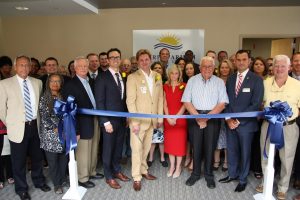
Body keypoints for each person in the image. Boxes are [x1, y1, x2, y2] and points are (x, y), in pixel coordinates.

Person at [0, 55, 51, 200]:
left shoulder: (37, 83)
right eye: (21, 65)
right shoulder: (4, 84)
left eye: (27, 65)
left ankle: (39, 181)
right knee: (19, 161)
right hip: (17, 128)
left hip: (35, 125)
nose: (24, 68)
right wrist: (12, 123)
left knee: (37, 157)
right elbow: (1, 110)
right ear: (16, 67)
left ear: (30, 67)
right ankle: (21, 188)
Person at [255, 55, 300, 200]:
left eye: (282, 66)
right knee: (266, 156)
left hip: (289, 127)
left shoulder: (297, 85)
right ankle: (265, 182)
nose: (279, 69)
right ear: (272, 68)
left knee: (287, 159)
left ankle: (282, 187)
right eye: (276, 66)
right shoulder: (265, 83)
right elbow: (260, 104)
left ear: (289, 68)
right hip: (268, 126)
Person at [219, 50, 264, 193]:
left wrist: (237, 120)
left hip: (246, 124)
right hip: (230, 123)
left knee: (245, 152)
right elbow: (226, 101)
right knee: (232, 150)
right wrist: (228, 119)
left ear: (249, 61)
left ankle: (243, 179)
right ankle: (232, 174)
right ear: (235, 61)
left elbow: (255, 104)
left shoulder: (256, 80)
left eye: (244, 59)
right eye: (238, 59)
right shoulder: (231, 78)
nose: (241, 62)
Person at [182, 56, 228, 189]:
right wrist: (197, 117)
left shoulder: (219, 82)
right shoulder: (192, 80)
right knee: (195, 147)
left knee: (210, 147)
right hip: (194, 116)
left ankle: (208, 175)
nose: (207, 69)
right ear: (200, 67)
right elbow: (186, 101)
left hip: (213, 118)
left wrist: (206, 118)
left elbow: (222, 103)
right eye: (204, 66)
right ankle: (195, 174)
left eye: (210, 66)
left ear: (214, 68)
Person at [63, 56, 103, 189]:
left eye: (85, 66)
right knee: (83, 151)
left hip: (94, 119)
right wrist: (76, 130)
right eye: (80, 66)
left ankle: (91, 172)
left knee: (93, 148)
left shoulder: (90, 81)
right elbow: (69, 110)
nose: (83, 68)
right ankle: (82, 177)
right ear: (75, 68)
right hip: (81, 122)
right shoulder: (70, 85)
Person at [126, 49, 163, 191]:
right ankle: (136, 177)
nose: (144, 62)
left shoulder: (157, 76)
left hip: (152, 119)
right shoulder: (132, 77)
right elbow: (130, 101)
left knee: (146, 148)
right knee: (136, 149)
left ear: (150, 60)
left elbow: (160, 98)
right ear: (137, 62)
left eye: (146, 59)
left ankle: (144, 170)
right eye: (141, 60)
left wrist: (159, 116)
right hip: (138, 122)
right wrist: (134, 122)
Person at [95, 48, 130, 189]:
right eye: (113, 57)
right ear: (108, 60)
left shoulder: (123, 75)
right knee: (108, 149)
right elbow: (99, 102)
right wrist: (105, 121)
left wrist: (127, 116)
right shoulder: (101, 77)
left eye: (118, 57)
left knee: (118, 148)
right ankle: (108, 175)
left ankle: (117, 170)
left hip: (121, 120)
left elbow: (124, 99)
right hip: (109, 121)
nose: (116, 59)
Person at [38, 73, 68, 194]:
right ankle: (57, 184)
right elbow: (44, 117)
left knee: (63, 158)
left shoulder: (63, 96)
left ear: (61, 84)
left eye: (58, 81)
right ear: (48, 83)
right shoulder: (44, 98)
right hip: (50, 135)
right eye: (52, 81)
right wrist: (55, 128)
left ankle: (62, 179)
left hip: (64, 132)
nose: (55, 84)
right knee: (53, 161)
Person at [163, 65, 187, 178]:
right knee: (170, 145)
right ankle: (172, 166)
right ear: (169, 74)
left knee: (179, 145)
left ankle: (178, 167)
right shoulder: (165, 86)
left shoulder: (184, 86)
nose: (174, 75)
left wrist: (176, 118)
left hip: (180, 119)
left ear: (179, 74)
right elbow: (164, 104)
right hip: (168, 120)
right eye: (171, 73)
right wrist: (168, 117)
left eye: (176, 73)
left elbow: (185, 104)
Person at [213, 59, 234, 172]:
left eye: (226, 67)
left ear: (230, 68)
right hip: (216, 113)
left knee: (227, 138)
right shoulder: (215, 80)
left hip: (229, 113)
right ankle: (216, 161)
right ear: (219, 69)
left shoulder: (233, 80)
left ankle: (226, 161)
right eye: (222, 67)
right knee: (216, 137)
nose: (224, 69)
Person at [147, 61, 168, 168]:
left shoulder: (166, 82)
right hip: (150, 113)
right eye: (156, 68)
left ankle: (162, 157)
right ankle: (150, 157)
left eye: (160, 68)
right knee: (152, 137)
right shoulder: (148, 81)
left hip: (161, 113)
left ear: (163, 70)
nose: (158, 69)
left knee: (160, 137)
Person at [290, 52, 300, 190]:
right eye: (296, 61)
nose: (298, 63)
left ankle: (298, 177)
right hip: (290, 120)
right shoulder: (286, 78)